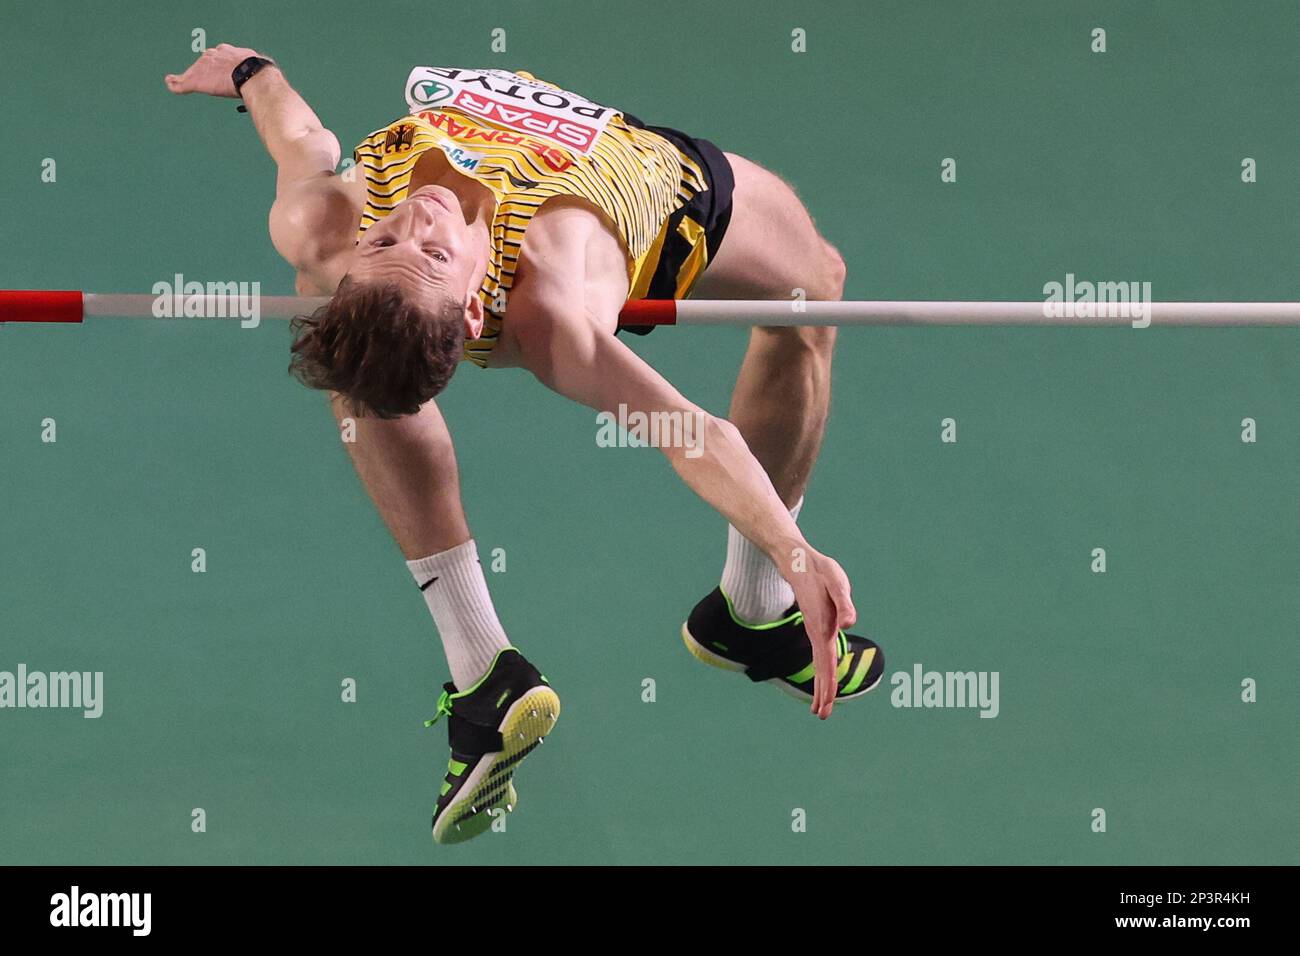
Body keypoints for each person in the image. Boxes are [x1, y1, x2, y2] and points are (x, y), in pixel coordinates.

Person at [165, 45, 885, 844]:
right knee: (813, 289)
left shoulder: (329, 230)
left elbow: (302, 140)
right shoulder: (552, 314)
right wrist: (792, 550)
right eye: (432, 256)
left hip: (528, 127)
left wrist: (251, 74)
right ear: (475, 310)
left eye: (386, 245)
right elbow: (689, 435)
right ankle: (748, 612)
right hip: (645, 183)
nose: (415, 219)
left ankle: (529, 667)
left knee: (349, 327)